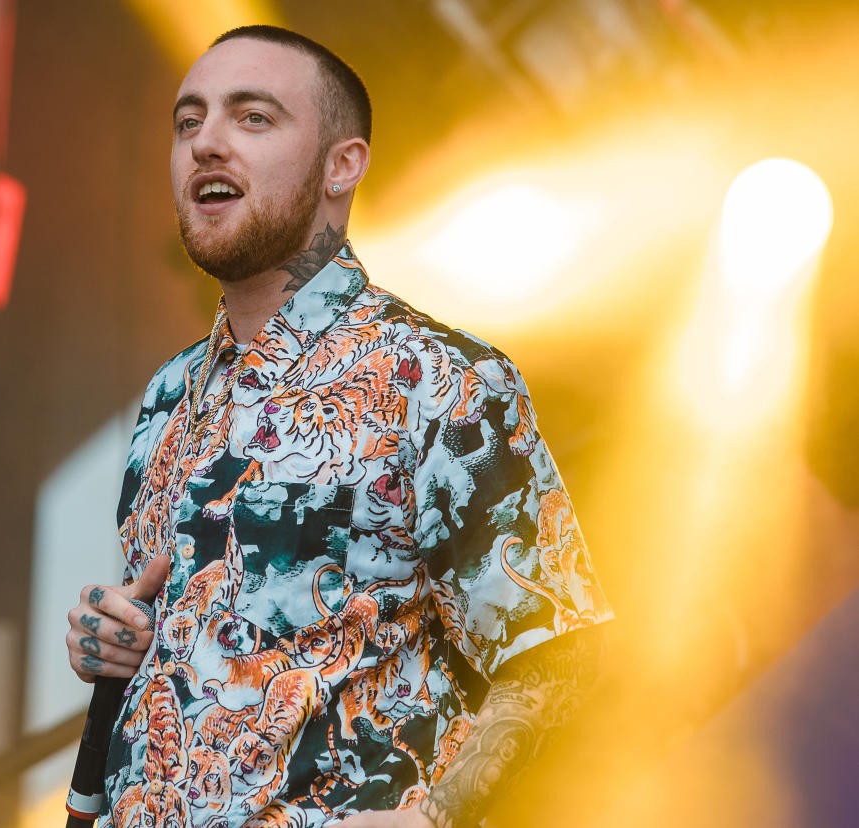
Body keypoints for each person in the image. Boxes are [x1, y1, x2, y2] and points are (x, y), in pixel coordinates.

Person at [65, 24, 613, 828]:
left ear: (341, 164)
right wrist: (116, 642)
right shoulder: (168, 395)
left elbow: (561, 652)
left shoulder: (437, 380)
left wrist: (429, 819)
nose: (207, 141)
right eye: (189, 121)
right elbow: (186, 651)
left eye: (253, 118)